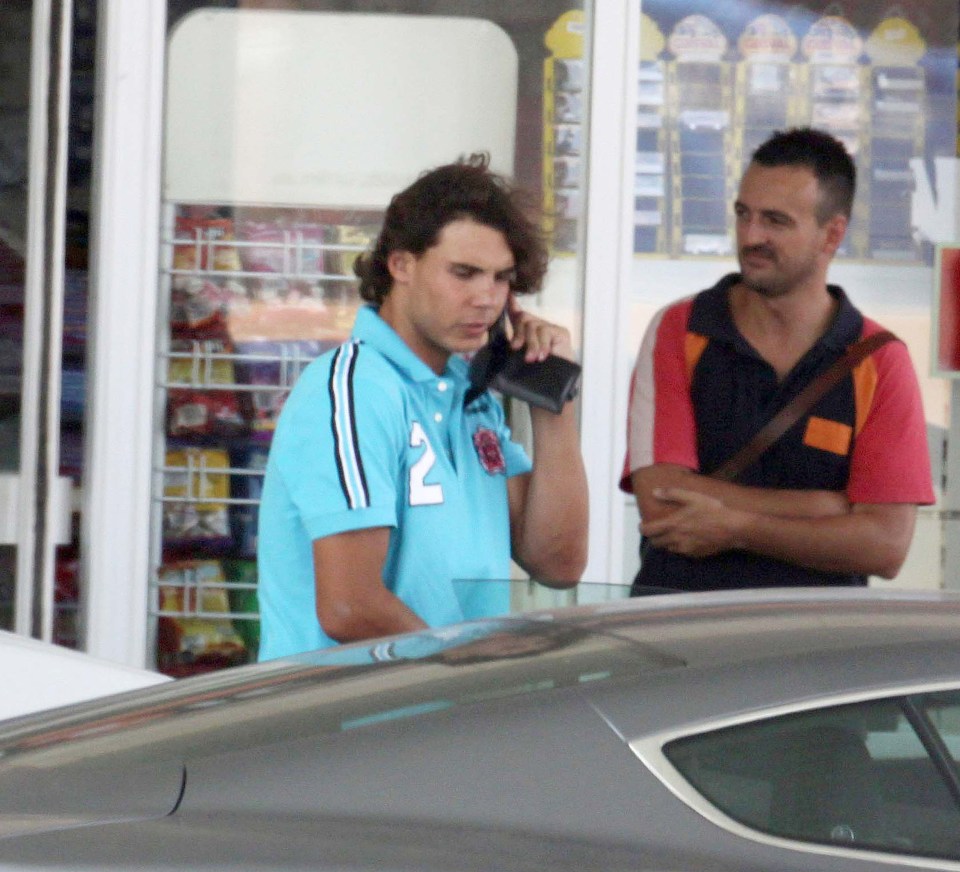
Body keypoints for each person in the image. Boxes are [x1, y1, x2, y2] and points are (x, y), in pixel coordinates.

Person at [257, 153, 588, 660]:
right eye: (464, 273)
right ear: (401, 264)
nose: (486, 298)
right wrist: (465, 664)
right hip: (348, 723)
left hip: (443, 715)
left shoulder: (469, 396)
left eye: (501, 278)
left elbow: (558, 563)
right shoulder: (352, 389)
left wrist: (553, 401)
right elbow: (350, 605)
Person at [622, 127, 935, 592]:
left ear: (832, 235)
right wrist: (826, 509)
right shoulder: (680, 328)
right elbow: (663, 503)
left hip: (816, 647)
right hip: (682, 634)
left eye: (776, 221)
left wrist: (736, 527)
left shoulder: (879, 359)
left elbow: (886, 547)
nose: (751, 236)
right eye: (743, 215)